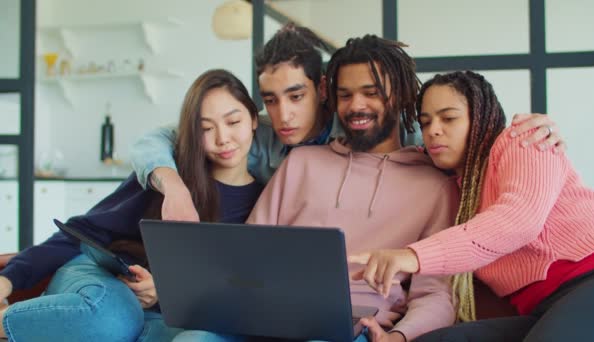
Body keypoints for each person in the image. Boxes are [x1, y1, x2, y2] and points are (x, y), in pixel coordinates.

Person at [174, 34, 458, 342]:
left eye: (370, 93)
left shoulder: (435, 188)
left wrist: (399, 336)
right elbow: (247, 255)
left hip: (354, 326)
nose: (356, 106)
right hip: (270, 313)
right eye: (345, 95)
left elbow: (436, 295)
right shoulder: (301, 162)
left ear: (401, 95)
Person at [128, 23, 562, 223]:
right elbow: (159, 138)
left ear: (320, 91)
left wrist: (523, 135)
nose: (282, 116)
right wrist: (175, 187)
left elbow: (462, 132)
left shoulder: (391, 138)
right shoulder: (254, 134)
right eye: (270, 101)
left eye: (295, 97)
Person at [0, 69, 264, 342]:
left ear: (254, 119)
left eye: (233, 122)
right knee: (112, 320)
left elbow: (236, 291)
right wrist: (9, 280)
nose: (223, 138)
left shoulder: (267, 201)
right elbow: (81, 233)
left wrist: (165, 293)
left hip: (165, 315)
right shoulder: (165, 176)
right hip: (102, 276)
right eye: (206, 128)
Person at [350, 71, 594, 342]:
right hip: (541, 309)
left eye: (449, 118)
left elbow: (519, 220)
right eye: (425, 123)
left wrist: (411, 257)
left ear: (483, 117)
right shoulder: (450, 183)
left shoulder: (523, 141)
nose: (434, 130)